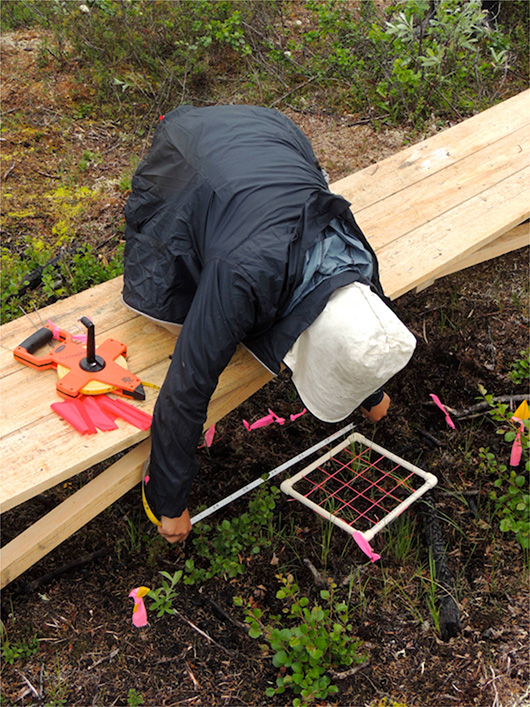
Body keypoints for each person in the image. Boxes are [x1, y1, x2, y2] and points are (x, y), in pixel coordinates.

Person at [122, 105, 416, 544]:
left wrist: (369, 388)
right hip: (186, 153)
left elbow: (359, 328)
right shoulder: (241, 277)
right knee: (172, 289)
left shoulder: (356, 257)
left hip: (271, 129)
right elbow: (187, 384)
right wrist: (170, 500)